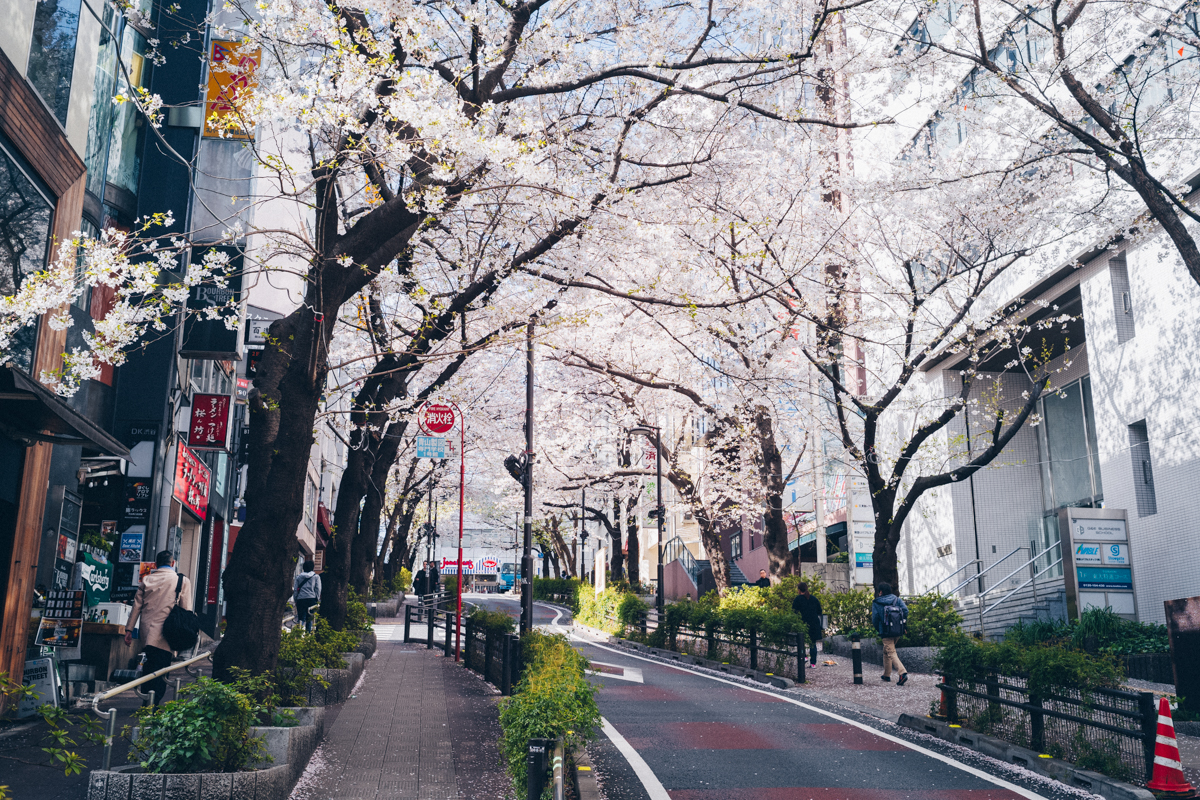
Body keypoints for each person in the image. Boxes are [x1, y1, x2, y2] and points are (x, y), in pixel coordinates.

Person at [124, 550, 193, 705]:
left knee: (150, 664)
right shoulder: (182, 581)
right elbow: (186, 610)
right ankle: (153, 703)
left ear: (155, 564)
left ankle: (147, 700)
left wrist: (129, 630)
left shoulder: (147, 580)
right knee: (162, 668)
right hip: (168, 631)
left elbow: (136, 607)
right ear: (173, 563)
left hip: (147, 631)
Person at [871, 581, 909, 686]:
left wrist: (879, 629)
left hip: (885, 631)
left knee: (891, 652)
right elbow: (905, 611)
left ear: (881, 592)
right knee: (886, 651)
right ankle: (886, 674)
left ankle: (902, 673)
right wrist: (902, 625)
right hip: (897, 630)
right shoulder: (897, 599)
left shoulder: (877, 602)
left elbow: (875, 619)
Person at [791, 582, 823, 667]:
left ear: (799, 590)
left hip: (803, 623)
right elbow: (819, 611)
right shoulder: (813, 598)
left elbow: (794, 612)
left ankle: (804, 657)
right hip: (814, 623)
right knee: (813, 643)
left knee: (801, 641)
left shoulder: (797, 599)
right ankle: (813, 663)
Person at [293, 560, 321, 631]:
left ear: (303, 568)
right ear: (312, 567)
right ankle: (308, 635)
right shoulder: (316, 577)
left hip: (301, 599)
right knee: (309, 618)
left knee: (301, 618)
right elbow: (318, 589)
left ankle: (298, 633)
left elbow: (295, 589)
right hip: (311, 599)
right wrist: (317, 599)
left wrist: (295, 599)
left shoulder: (298, 577)